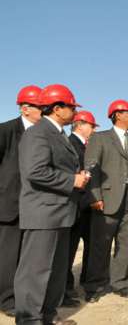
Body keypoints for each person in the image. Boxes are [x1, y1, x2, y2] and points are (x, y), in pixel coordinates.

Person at [15, 84, 87, 325]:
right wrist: (72, 180)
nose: (75, 112)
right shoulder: (37, 133)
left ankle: (47, 316)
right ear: (57, 108)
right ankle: (28, 320)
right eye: (71, 107)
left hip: (59, 213)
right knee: (35, 272)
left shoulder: (56, 133)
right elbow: (35, 172)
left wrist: (78, 176)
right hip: (43, 213)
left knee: (55, 272)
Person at [84, 100, 128, 302]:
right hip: (107, 197)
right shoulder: (100, 138)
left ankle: (120, 283)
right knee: (100, 244)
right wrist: (95, 196)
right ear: (118, 115)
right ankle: (94, 286)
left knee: (126, 243)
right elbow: (91, 169)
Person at [0, 85, 42, 318]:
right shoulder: (5, 131)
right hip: (9, 205)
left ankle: (22, 295)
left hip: (33, 206)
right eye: (40, 106)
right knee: (7, 255)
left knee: (27, 257)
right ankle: (6, 300)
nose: (44, 111)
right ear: (25, 108)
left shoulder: (42, 134)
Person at [63, 110, 98, 307]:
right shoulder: (70, 144)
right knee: (69, 250)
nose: (93, 130)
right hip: (76, 205)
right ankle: (65, 288)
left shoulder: (87, 145)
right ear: (80, 125)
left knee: (90, 246)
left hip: (88, 206)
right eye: (91, 126)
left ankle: (85, 281)